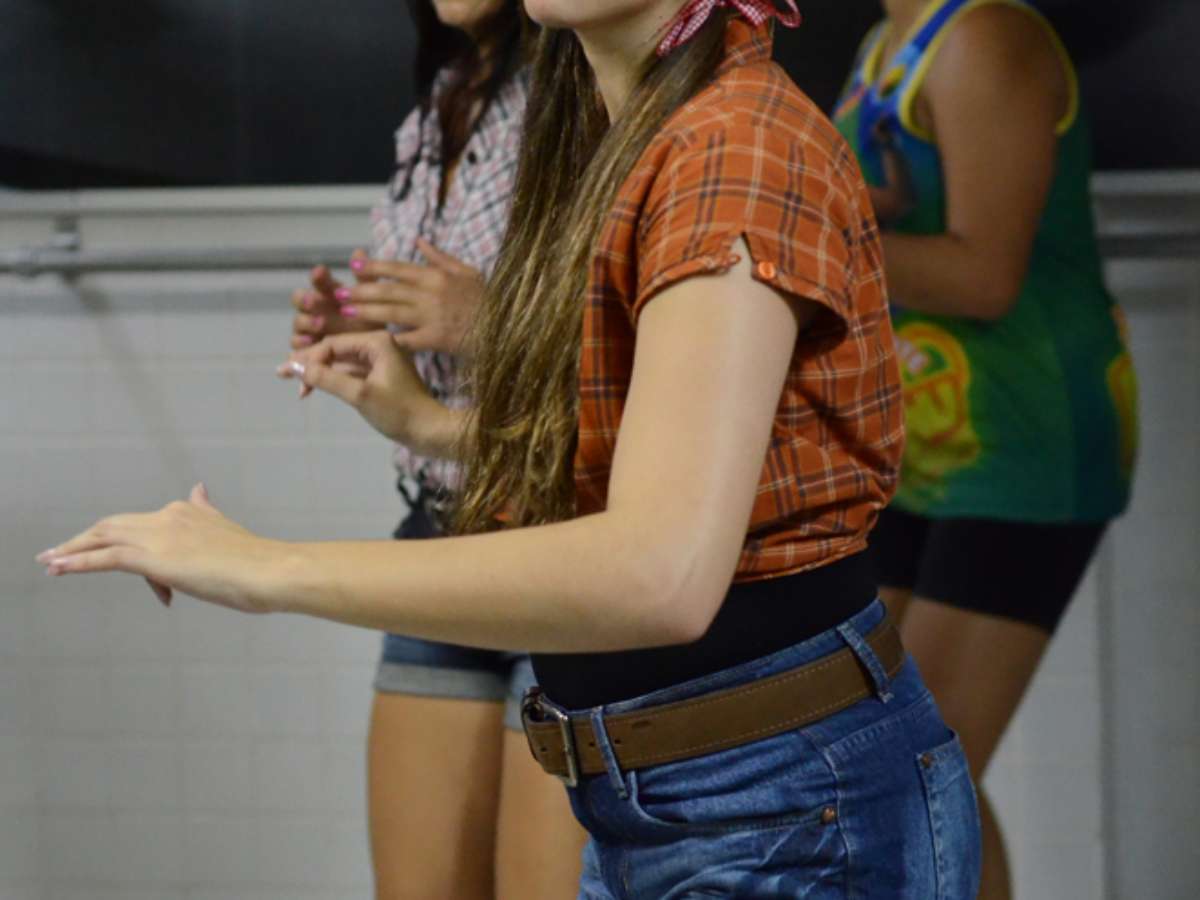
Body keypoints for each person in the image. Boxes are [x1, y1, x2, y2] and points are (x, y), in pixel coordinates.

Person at [40, 1, 982, 895]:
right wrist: (428, 424)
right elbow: (651, 452)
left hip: (784, 814)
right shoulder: (624, 136)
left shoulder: (734, 147)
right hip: (676, 800)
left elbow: (660, 572)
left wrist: (264, 568)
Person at [833, 0, 1138, 896]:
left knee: (918, 767)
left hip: (1024, 444)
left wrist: (814, 237)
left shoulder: (982, 34)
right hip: (919, 445)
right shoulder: (886, 40)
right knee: (892, 759)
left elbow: (985, 275)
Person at [288, 1, 586, 897]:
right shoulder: (445, 97)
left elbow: (650, 358)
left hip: (565, 542)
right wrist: (368, 333)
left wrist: (490, 323)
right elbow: (443, 317)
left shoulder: (591, 86)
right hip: (444, 528)